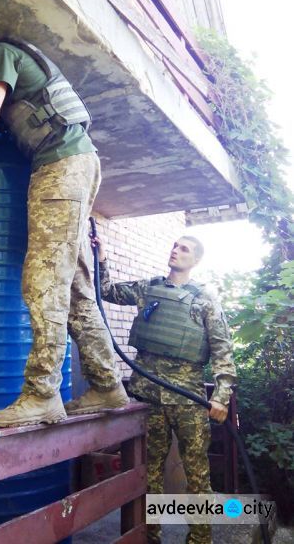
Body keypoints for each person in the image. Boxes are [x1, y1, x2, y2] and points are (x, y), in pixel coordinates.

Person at [0, 39, 128, 428]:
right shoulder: (10, 78)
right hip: (75, 163)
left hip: (60, 167)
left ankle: (42, 394)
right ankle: (107, 384)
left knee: (43, 281)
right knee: (74, 286)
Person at [94, 233, 237, 544]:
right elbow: (106, 291)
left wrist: (221, 397)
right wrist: (102, 259)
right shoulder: (148, 288)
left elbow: (223, 352)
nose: (176, 251)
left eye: (184, 249)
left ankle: (200, 539)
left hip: (187, 401)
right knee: (148, 473)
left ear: (195, 260)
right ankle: (149, 535)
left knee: (197, 475)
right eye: (174, 246)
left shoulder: (205, 300)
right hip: (149, 398)